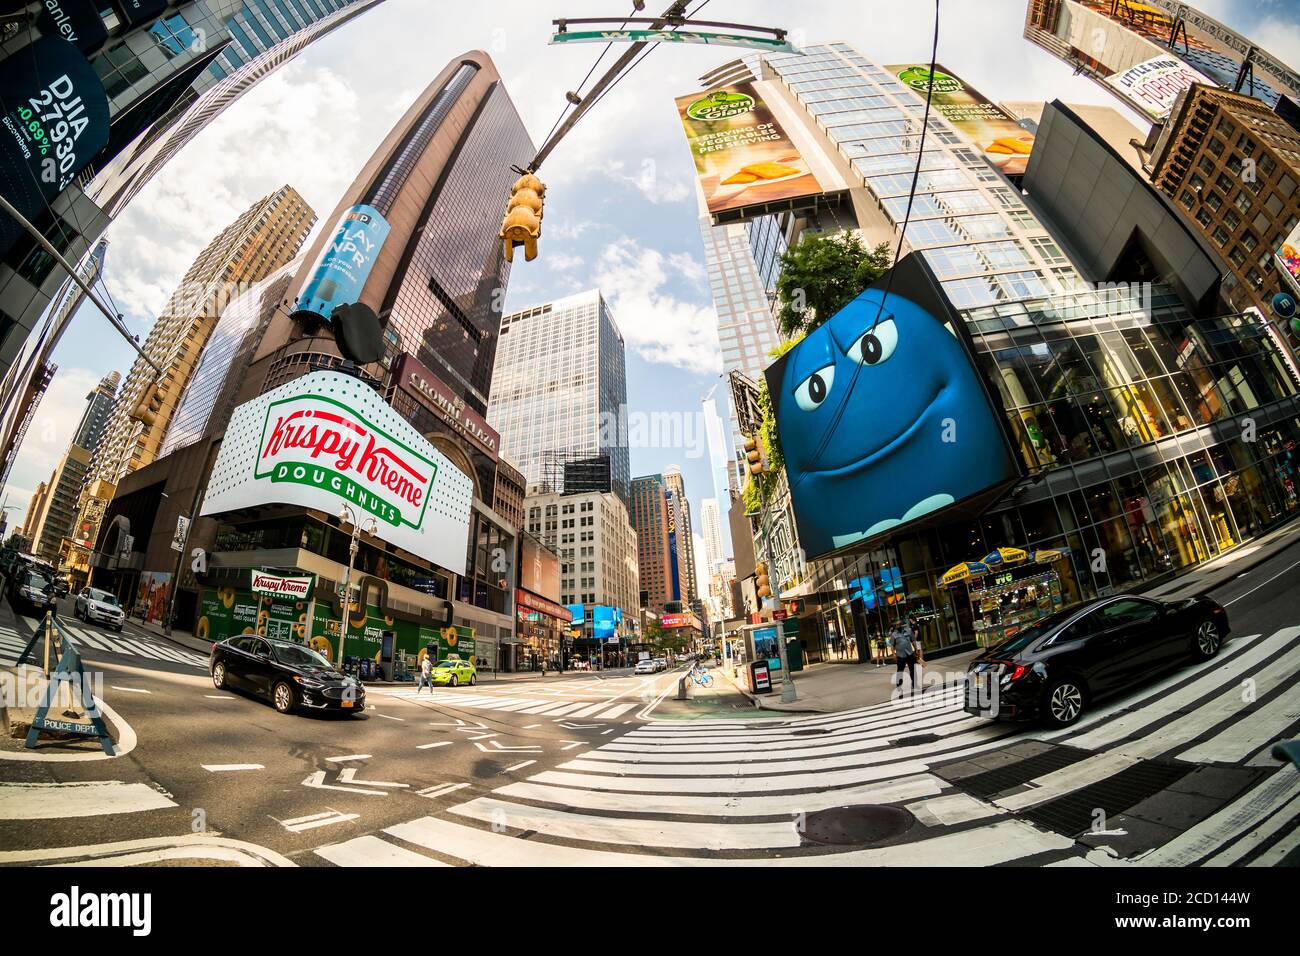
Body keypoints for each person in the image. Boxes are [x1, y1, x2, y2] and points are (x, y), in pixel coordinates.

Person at [891, 618, 919, 693]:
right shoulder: (894, 634)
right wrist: (894, 654)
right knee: (900, 671)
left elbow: (913, 641)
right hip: (900, 655)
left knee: (912, 670)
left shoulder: (908, 631)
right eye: (896, 625)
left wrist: (916, 650)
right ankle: (899, 686)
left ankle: (914, 684)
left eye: (899, 624)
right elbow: (892, 646)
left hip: (910, 654)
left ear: (902, 625)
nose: (898, 626)